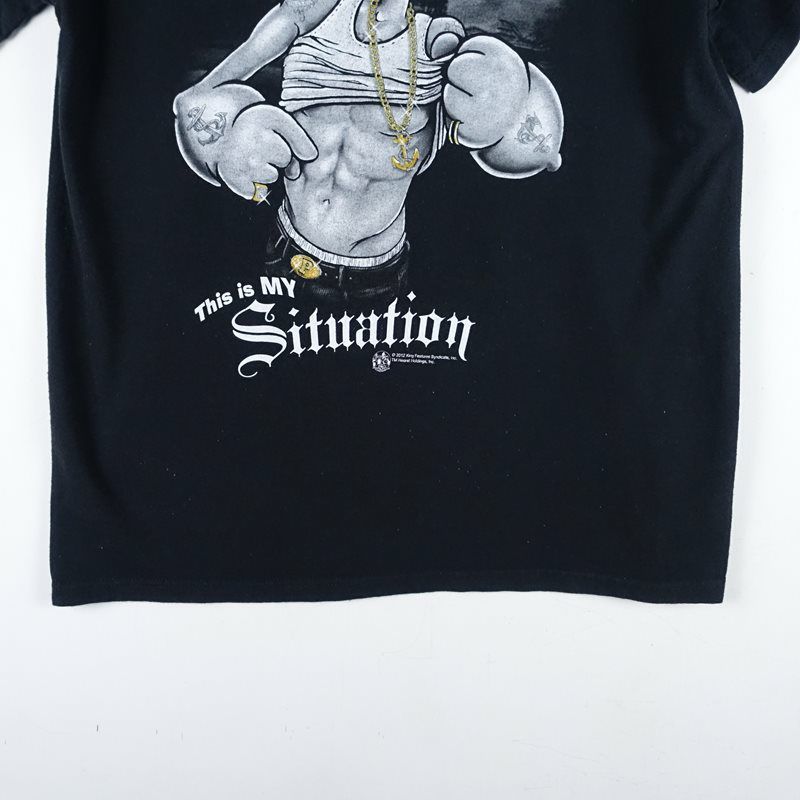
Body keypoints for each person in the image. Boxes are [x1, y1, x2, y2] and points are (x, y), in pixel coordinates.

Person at [174, 0, 564, 304]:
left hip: (377, 277)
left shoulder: (438, 44)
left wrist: (505, 99)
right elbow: (195, 103)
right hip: (284, 250)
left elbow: (534, 145)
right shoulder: (304, 17)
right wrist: (224, 131)